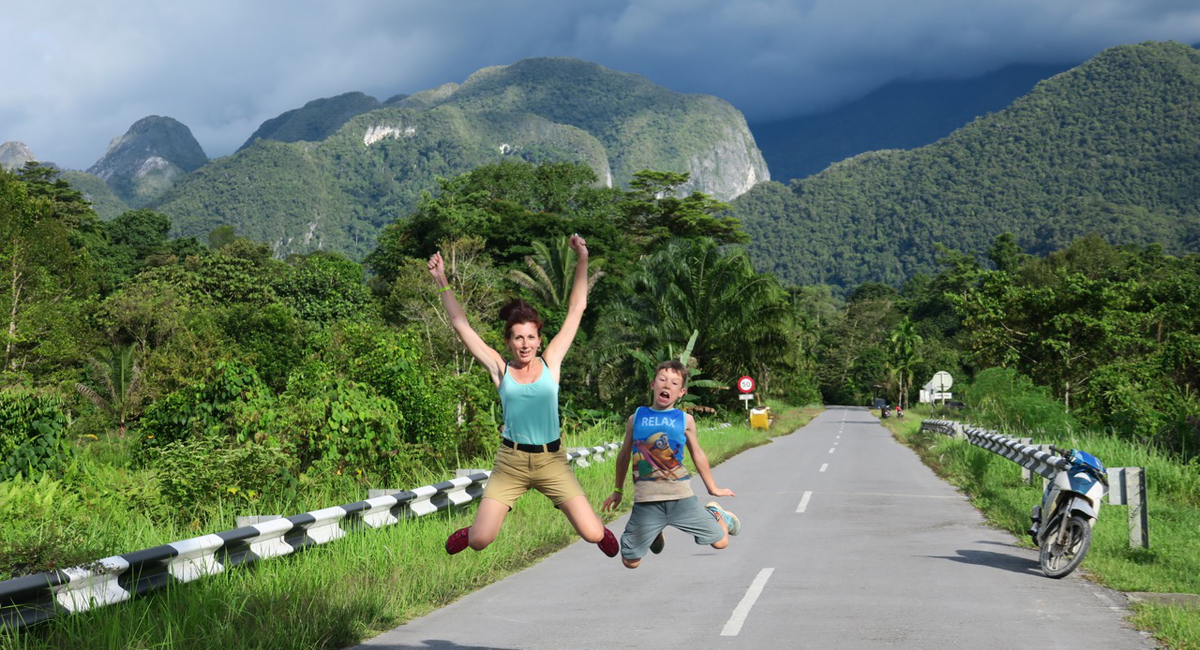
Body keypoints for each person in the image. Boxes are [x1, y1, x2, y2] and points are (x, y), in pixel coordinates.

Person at [428, 234, 619, 557]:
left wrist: (583, 257)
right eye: (518, 338)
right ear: (508, 341)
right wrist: (442, 280)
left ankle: (594, 526)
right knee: (480, 541)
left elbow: (577, 308)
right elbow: (461, 325)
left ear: (540, 340)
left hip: (552, 461)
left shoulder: (551, 362)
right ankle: (471, 530)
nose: (525, 344)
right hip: (511, 463)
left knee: (592, 533)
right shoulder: (500, 369)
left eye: (531, 337)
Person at [601, 360, 740, 569]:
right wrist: (617, 490)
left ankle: (716, 514)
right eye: (662, 380)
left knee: (721, 542)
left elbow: (698, 454)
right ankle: (655, 532)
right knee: (630, 561)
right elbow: (624, 455)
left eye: (674, 383)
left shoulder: (685, 420)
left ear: (681, 392)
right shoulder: (636, 417)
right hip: (647, 502)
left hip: (681, 498)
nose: (667, 386)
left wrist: (713, 488)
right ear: (652, 384)